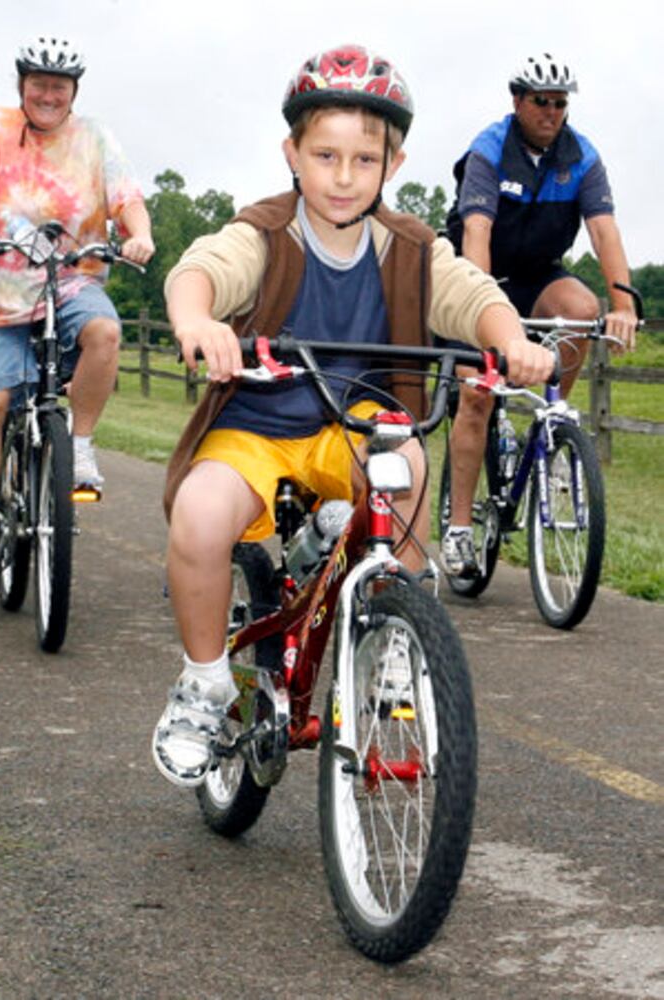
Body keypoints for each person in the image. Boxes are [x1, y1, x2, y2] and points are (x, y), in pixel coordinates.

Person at [151, 44, 554, 788]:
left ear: (391, 165)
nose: (343, 177)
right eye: (325, 155)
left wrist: (512, 341)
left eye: (363, 160)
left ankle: (393, 644)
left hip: (355, 421)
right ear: (292, 155)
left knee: (403, 459)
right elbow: (201, 270)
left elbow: (471, 295)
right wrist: (198, 320)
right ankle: (204, 683)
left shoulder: (406, 248)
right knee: (202, 516)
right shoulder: (266, 234)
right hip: (258, 424)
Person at [0, 35, 154, 583]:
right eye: (38, 83)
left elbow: (127, 195)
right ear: (22, 86)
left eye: (58, 86)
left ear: (73, 92)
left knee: (105, 332)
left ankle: (79, 446)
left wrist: (139, 235)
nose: (48, 94)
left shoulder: (94, 137)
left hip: (68, 280)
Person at [439, 52, 637, 577]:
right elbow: (476, 233)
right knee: (477, 397)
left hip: (538, 273)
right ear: (518, 101)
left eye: (560, 103)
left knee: (579, 307)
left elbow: (604, 232)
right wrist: (484, 310)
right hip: (479, 276)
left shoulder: (581, 156)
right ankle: (459, 528)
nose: (552, 112)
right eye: (541, 102)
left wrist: (622, 304)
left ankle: (551, 423)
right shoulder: (489, 151)